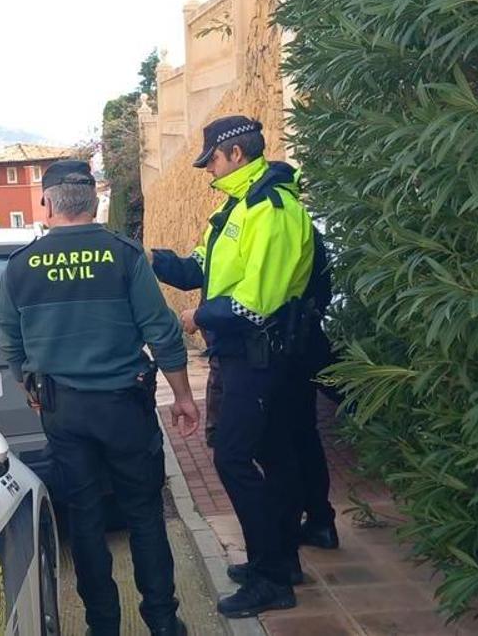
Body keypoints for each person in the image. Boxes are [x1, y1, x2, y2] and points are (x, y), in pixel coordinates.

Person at [0, 160, 200, 636]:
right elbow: (163, 333)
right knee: (144, 514)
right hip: (124, 406)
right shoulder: (124, 255)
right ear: (94, 203)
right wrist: (184, 396)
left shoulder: (20, 267)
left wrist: (31, 388)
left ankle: (103, 626)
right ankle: (164, 623)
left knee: (84, 518)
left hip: (63, 411)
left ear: (46, 204)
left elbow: (11, 344)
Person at [148, 115, 321, 617]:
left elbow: (256, 301)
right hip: (246, 355)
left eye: (213, 162)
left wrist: (197, 316)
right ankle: (281, 561)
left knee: (232, 457)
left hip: (260, 355)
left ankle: (270, 577)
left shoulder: (272, 208)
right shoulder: (235, 209)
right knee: (273, 454)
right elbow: (198, 268)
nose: (208, 172)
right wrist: (149, 258)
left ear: (236, 156)